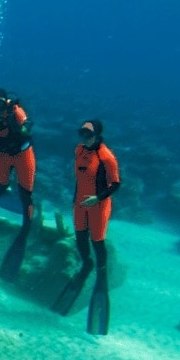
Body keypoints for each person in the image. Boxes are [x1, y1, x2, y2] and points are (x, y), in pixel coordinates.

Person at [52, 119, 122, 335]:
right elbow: (79, 177)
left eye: (88, 133)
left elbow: (116, 184)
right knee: (80, 237)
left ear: (98, 134)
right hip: (80, 202)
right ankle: (87, 264)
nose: (84, 136)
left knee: (97, 240)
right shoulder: (79, 150)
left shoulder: (106, 156)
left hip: (98, 205)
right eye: (82, 132)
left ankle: (101, 275)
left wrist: (97, 197)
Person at [0, 88, 36, 279]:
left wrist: (24, 129)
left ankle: (24, 232)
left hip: (22, 154)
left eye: (0, 103)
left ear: (6, 101)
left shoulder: (14, 111)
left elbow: (26, 124)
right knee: (0, 186)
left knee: (26, 193)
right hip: (3, 155)